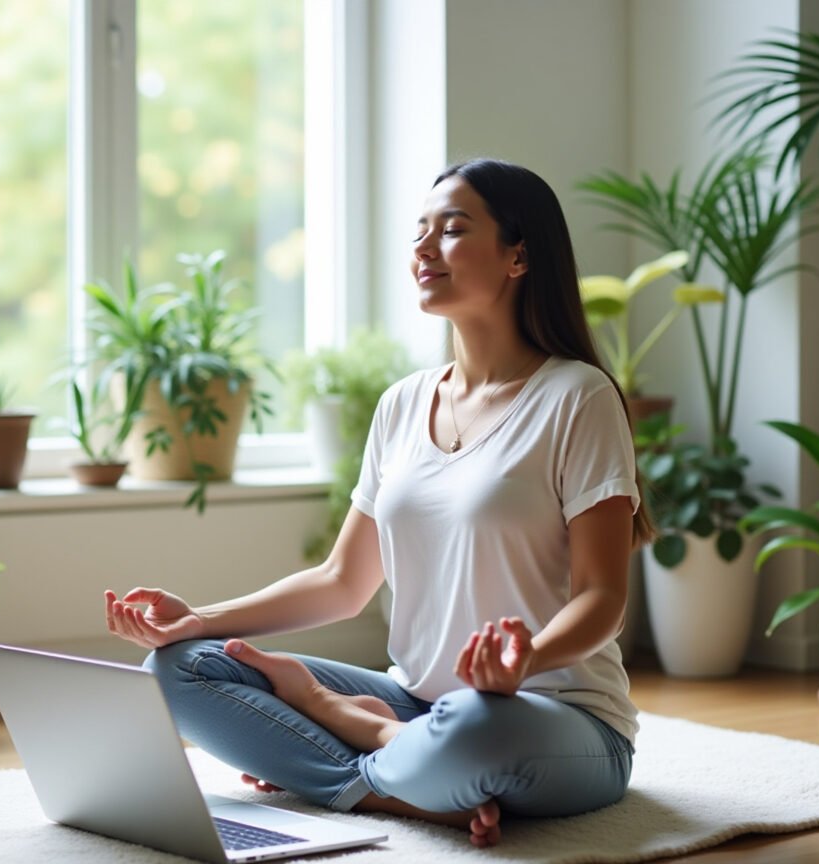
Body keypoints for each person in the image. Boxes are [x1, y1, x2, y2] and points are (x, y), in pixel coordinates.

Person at [103, 158, 654, 849]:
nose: (423, 248)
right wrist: (199, 620)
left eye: (452, 230)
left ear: (518, 256)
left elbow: (603, 599)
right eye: (419, 231)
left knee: (474, 728)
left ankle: (346, 731)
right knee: (179, 670)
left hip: (550, 716)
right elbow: (343, 582)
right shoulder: (402, 404)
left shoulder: (578, 396)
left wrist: (527, 659)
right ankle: (401, 784)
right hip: (421, 703)